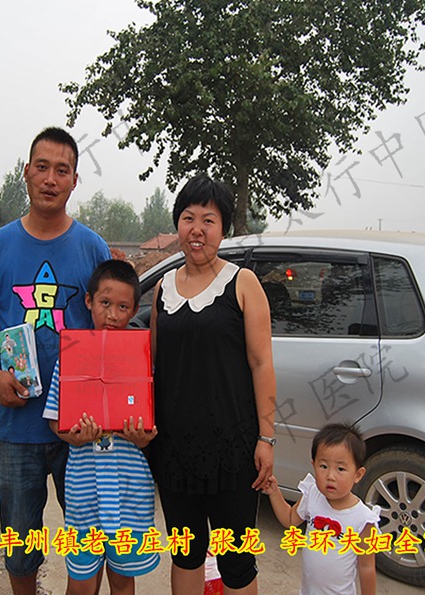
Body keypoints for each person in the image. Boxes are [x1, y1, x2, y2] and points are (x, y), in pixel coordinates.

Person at [0, 127, 111, 595]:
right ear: (26, 173)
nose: (50, 179)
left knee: (87, 543)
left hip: (80, 428)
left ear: (74, 180)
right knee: (20, 544)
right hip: (16, 426)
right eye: (42, 168)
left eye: (62, 170)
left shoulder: (92, 248)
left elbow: (112, 329)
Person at [148, 173, 277, 594]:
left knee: (236, 559)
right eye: (189, 218)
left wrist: (266, 438)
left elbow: (262, 364)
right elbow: (153, 364)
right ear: (177, 224)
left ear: (223, 229)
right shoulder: (163, 288)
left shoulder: (243, 283)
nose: (197, 229)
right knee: (186, 552)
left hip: (232, 450)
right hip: (174, 450)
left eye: (209, 220)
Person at [43, 259, 160, 595]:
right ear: (89, 301)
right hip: (84, 490)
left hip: (130, 490)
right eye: (105, 303)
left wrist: (142, 439)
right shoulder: (70, 358)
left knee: (122, 580)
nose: (112, 315)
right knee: (80, 582)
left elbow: (151, 429)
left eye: (123, 307)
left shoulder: (142, 361)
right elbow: (55, 419)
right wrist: (73, 437)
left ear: (134, 310)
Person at [263, 422, 380, 595]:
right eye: (323, 466)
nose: (330, 476)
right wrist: (274, 492)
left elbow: (367, 567)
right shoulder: (312, 495)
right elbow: (290, 519)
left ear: (358, 474)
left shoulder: (363, 519)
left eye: (341, 469)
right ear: (314, 465)